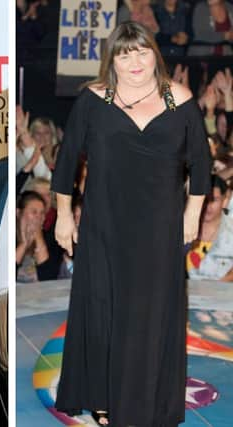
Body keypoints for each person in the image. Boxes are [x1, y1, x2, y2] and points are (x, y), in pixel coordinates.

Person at [52, 22, 211, 426]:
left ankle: (145, 400)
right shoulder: (94, 98)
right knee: (104, 312)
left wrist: (192, 214)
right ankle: (103, 395)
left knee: (150, 315)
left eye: (140, 52)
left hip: (160, 229)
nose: (134, 61)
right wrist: (65, 215)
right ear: (113, 60)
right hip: (105, 225)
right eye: (124, 54)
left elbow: (202, 165)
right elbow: (67, 160)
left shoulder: (179, 99)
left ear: (153, 54)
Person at [187, 175, 233, 280]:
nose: (208, 206)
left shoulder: (230, 232)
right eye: (205, 199)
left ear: (225, 200)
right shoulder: (182, 227)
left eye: (214, 200)